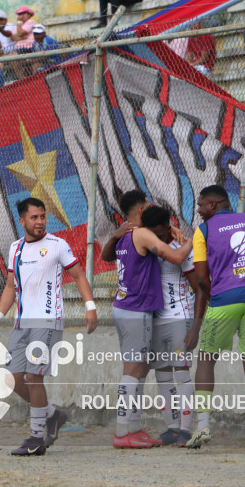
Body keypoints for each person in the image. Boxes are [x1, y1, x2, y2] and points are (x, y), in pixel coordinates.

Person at [0, 197, 98, 456]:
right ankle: (52, 415)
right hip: (20, 323)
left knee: (33, 377)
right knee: (12, 379)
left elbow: (79, 275)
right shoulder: (15, 248)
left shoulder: (57, 245)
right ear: (22, 220)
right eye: (34, 217)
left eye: (42, 216)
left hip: (48, 321)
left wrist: (90, 306)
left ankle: (36, 439)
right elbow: (10, 287)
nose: (39, 222)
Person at [183, 185, 245, 453]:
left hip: (225, 298)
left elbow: (200, 278)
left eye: (200, 205)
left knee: (207, 359)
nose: (198, 210)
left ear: (214, 204)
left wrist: (218, 299)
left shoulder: (205, 230)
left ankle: (203, 425)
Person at [101, 191, 193, 448]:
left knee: (140, 371)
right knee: (133, 371)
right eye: (147, 206)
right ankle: (122, 433)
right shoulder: (140, 234)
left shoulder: (123, 236)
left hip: (124, 308)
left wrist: (171, 228)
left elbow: (106, 257)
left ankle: (134, 427)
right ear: (141, 211)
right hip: (136, 311)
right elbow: (176, 257)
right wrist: (193, 240)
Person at [145, 208, 199, 447]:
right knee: (162, 375)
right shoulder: (146, 245)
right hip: (156, 321)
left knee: (182, 373)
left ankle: (186, 430)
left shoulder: (182, 248)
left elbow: (200, 289)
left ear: (168, 227)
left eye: (160, 232)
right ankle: (172, 428)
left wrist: (195, 327)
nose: (156, 236)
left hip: (179, 319)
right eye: (152, 233)